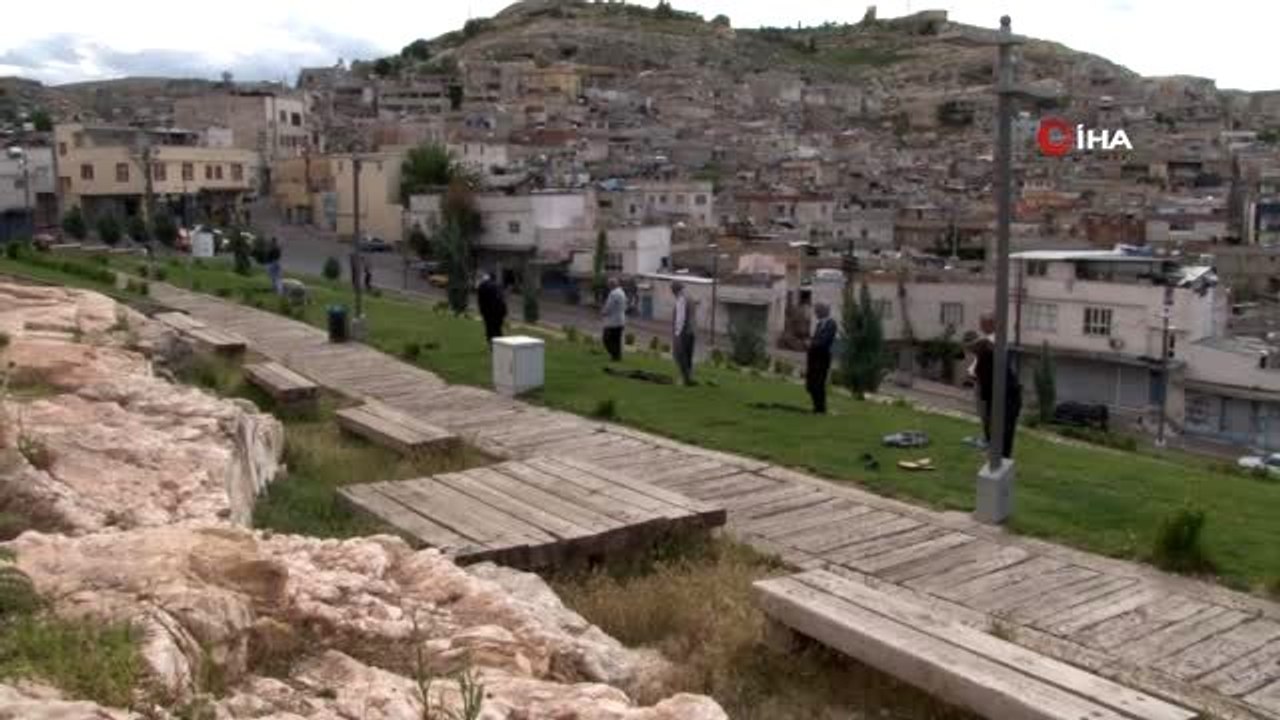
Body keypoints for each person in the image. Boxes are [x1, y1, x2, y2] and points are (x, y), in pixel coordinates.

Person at [973, 317, 1023, 460]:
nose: (983, 325)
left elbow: (998, 354)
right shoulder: (984, 352)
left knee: (1003, 433)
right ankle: (995, 456)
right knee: (990, 429)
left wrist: (989, 346)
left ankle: (1001, 459)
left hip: (1007, 398)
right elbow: (971, 347)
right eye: (982, 323)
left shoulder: (998, 345)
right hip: (991, 396)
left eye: (986, 323)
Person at [806, 303, 838, 413]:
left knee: (819, 383)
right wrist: (810, 344)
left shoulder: (831, 324)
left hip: (822, 358)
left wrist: (812, 344)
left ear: (823, 311)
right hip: (813, 358)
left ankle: (821, 408)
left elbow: (824, 341)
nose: (815, 313)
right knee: (811, 384)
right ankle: (816, 407)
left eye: (817, 311)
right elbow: (816, 339)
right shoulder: (819, 324)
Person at [671, 281, 696, 385]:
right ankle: (689, 377)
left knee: (680, 356)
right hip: (691, 331)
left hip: (683, 332)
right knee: (688, 356)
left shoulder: (681, 299)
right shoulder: (689, 297)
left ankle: (685, 378)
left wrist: (677, 333)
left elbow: (680, 318)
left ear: (674, 290)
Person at [601, 277, 627, 362]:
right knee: (616, 340)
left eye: (608, 284)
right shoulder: (622, 292)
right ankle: (617, 357)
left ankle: (614, 355)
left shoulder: (613, 293)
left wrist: (603, 312)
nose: (608, 286)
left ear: (612, 285)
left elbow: (609, 306)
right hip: (621, 320)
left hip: (613, 321)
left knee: (606, 339)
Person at [477, 272, 507, 345]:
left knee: (490, 328)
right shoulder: (498, 285)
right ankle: (499, 344)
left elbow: (481, 301)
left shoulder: (482, 286)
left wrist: (482, 312)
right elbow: (502, 299)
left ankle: (492, 343)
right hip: (499, 311)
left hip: (489, 312)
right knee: (497, 328)